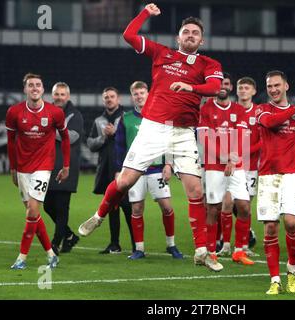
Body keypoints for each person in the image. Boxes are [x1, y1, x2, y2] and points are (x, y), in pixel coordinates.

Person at [78, 3, 223, 271]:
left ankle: (201, 250)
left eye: (195, 33)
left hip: (183, 132)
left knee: (196, 190)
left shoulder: (209, 64)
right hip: (153, 127)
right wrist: (145, 13)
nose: (190, 35)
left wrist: (190, 86)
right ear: (178, 37)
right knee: (124, 181)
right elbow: (129, 36)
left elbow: (214, 88)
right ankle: (98, 216)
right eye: (186, 31)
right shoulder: (162, 53)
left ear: (201, 40)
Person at [256, 70, 295, 295]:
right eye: (270, 86)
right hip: (268, 175)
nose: (273, 89)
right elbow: (271, 123)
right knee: (270, 228)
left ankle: (292, 269)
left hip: (294, 174)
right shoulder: (261, 109)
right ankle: (274, 280)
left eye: (276, 85)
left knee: (291, 223)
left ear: (286, 86)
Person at [6, 73, 70, 269]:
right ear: (25, 89)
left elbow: (65, 138)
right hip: (23, 168)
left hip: (43, 167)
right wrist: (13, 168)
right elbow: (10, 141)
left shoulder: (54, 113)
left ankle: (21, 258)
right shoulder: (14, 112)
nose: (34, 88)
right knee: (32, 213)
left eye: (38, 85)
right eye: (30, 85)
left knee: (33, 210)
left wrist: (66, 165)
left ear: (43, 89)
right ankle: (51, 254)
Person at [116, 81, 183, 260]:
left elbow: (169, 142)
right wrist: (118, 170)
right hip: (134, 170)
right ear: (132, 97)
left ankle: (171, 245)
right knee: (136, 208)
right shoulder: (126, 118)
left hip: (156, 168)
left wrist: (169, 164)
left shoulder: (161, 116)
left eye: (142, 93)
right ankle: (139, 249)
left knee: (167, 207)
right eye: (136, 93)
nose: (139, 96)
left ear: (148, 94)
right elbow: (120, 147)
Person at [197, 73, 254, 266]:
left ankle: (239, 251)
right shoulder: (206, 109)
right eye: (219, 84)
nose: (222, 87)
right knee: (213, 208)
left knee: (244, 206)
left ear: (230, 87)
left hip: (236, 165)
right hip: (214, 165)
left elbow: (241, 136)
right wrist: (224, 158)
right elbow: (204, 138)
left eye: (226, 84)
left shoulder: (238, 109)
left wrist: (232, 158)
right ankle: (211, 251)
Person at [87, 87, 135, 254]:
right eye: (106, 97)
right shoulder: (99, 120)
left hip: (125, 169)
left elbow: (133, 141)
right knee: (112, 208)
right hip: (106, 169)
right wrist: (103, 137)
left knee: (128, 207)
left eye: (112, 96)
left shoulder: (127, 118)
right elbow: (90, 144)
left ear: (118, 99)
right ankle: (114, 243)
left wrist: (116, 134)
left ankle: (137, 245)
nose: (109, 99)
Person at [216, 76, 260, 258]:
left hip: (250, 166)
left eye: (247, 88)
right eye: (241, 87)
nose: (243, 91)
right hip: (231, 164)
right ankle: (226, 245)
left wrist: (243, 152)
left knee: (245, 207)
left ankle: (243, 245)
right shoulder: (230, 110)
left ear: (253, 92)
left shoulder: (259, 113)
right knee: (227, 204)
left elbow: (263, 140)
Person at [43, 82, 83, 255]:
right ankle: (69, 235)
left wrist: (49, 129)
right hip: (48, 166)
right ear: (52, 95)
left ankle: (55, 242)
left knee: (61, 206)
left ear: (68, 96)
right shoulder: (46, 112)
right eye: (56, 94)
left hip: (67, 166)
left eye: (62, 94)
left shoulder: (75, 115)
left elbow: (72, 137)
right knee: (47, 206)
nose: (59, 97)